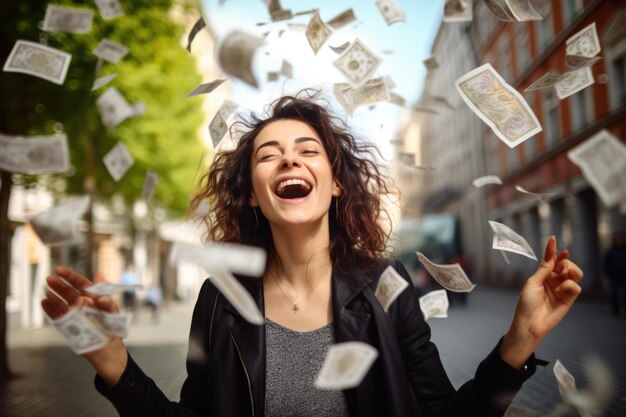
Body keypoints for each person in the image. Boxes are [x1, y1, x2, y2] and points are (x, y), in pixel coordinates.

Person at [42, 92, 583, 417]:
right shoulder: (222, 296)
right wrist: (115, 366)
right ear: (253, 193)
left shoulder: (384, 285)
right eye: (268, 155)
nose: (288, 163)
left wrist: (517, 344)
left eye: (307, 151)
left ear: (336, 184)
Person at [604, 231, 626, 316]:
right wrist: (609, 274)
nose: (618, 241)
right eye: (616, 239)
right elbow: (606, 264)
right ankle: (616, 310)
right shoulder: (610, 252)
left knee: (625, 295)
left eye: (619, 239)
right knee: (614, 294)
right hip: (614, 276)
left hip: (624, 276)